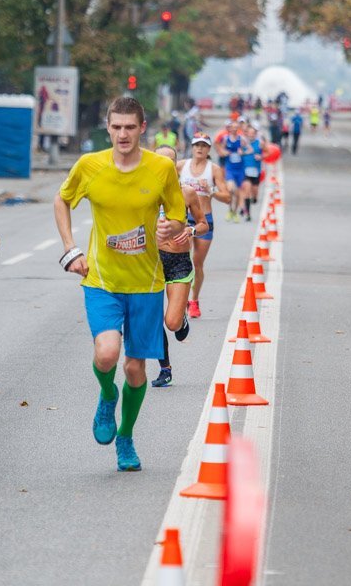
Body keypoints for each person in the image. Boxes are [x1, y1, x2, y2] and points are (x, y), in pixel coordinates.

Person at [54, 96, 186, 472]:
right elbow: (61, 201)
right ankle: (107, 395)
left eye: (130, 127)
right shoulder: (89, 166)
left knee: (134, 369)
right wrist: (70, 250)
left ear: (142, 128)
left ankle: (125, 437)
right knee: (107, 354)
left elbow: (177, 215)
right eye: (116, 127)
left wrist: (171, 227)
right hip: (102, 279)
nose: (123, 134)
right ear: (108, 127)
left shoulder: (161, 168)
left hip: (146, 283)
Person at [149, 145, 207, 388]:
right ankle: (165, 369)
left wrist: (191, 230)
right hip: (151, 263)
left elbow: (204, 224)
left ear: (175, 167)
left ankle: (180, 317)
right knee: (152, 320)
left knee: (171, 324)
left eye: (168, 163)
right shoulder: (145, 193)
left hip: (178, 263)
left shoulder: (187, 193)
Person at [178, 133, 229, 320]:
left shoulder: (213, 170)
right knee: (183, 259)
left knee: (197, 263)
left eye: (204, 146)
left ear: (208, 149)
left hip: (205, 221)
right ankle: (181, 299)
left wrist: (211, 191)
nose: (200, 149)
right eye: (196, 145)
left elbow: (228, 197)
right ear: (191, 147)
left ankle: (194, 300)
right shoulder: (181, 166)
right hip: (184, 219)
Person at [220, 121, 247, 221]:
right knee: (231, 189)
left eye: (236, 127)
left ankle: (235, 212)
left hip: (240, 170)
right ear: (230, 128)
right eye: (233, 127)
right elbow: (221, 151)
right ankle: (230, 210)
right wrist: (226, 152)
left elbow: (250, 150)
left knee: (238, 193)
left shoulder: (242, 139)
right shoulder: (226, 139)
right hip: (230, 169)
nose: (234, 129)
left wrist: (242, 152)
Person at [241, 125, 263, 222]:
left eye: (253, 133)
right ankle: (248, 214)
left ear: (255, 134)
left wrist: (261, 157)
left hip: (256, 171)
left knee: (254, 192)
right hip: (245, 171)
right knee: (247, 191)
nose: (251, 135)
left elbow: (267, 153)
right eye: (249, 133)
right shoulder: (242, 143)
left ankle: (254, 198)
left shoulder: (260, 144)